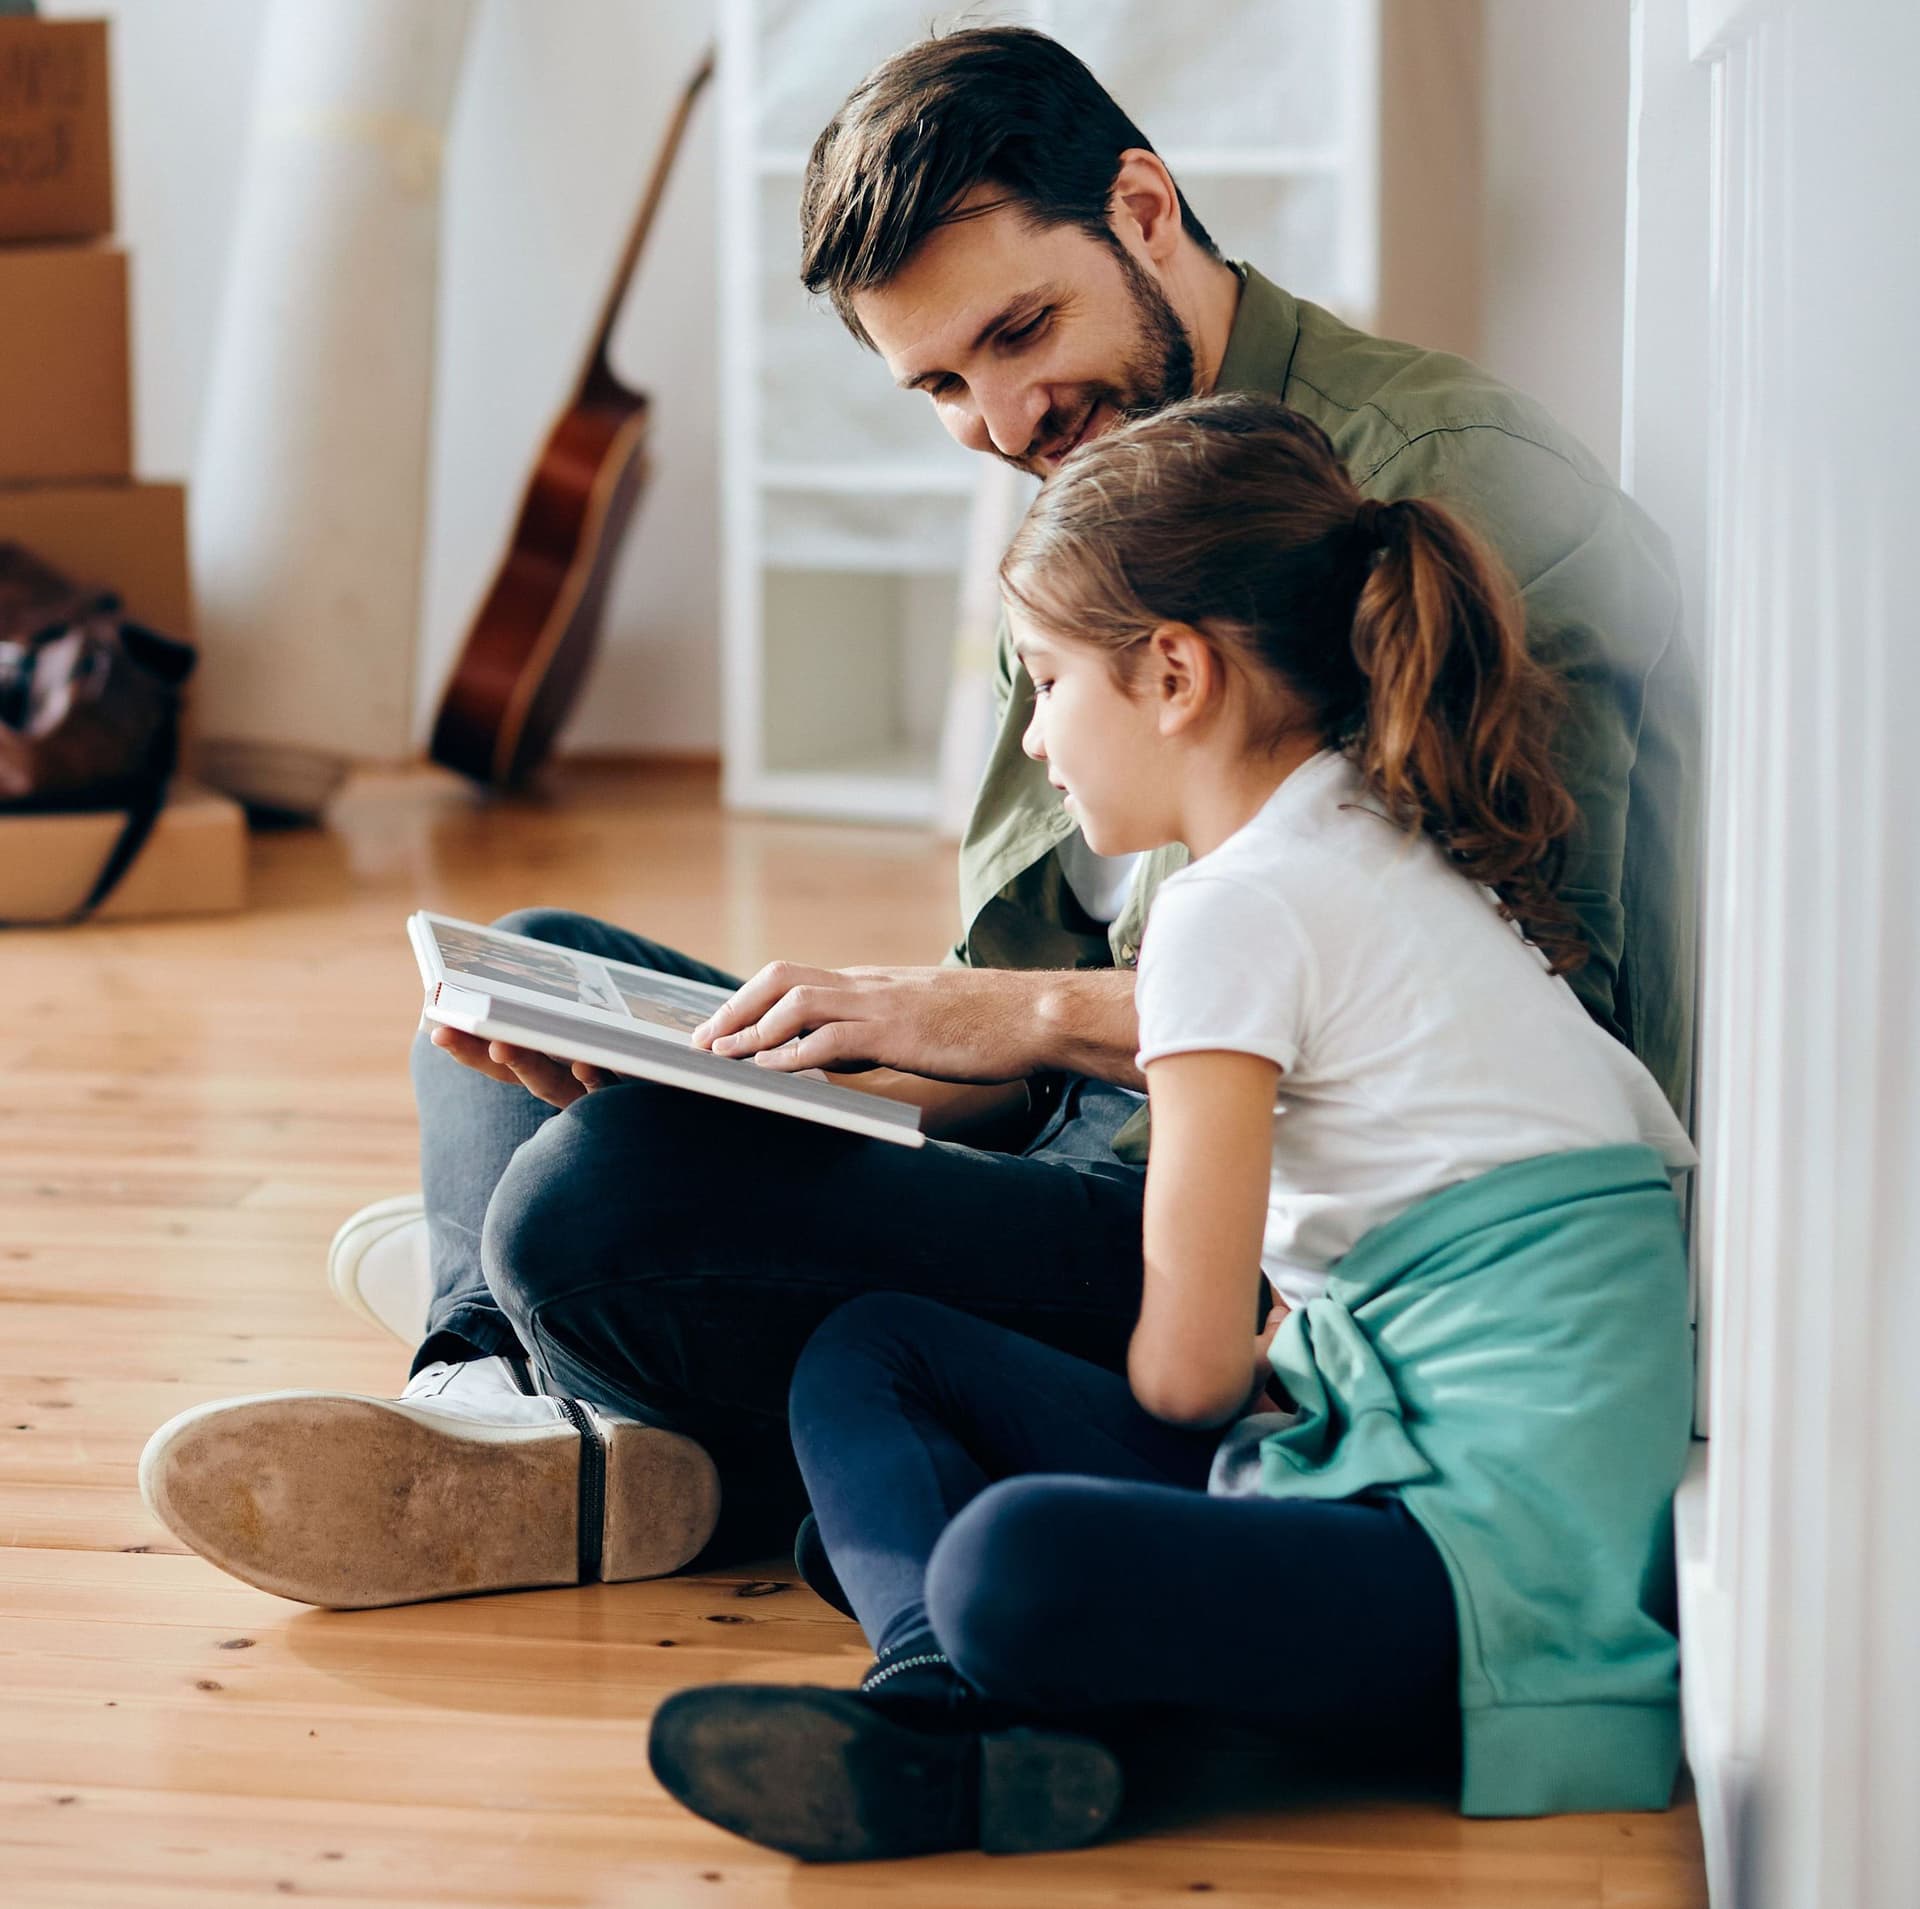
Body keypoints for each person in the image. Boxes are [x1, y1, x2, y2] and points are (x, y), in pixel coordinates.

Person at [138, 27, 1694, 1608]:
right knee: (523, 971)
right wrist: (793, 1069)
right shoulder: (1100, 468)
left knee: (585, 1205)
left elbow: (1498, 1020)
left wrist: (988, 1014)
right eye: (943, 382)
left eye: (1021, 330)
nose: (1006, 417)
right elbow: (1018, 1033)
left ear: (1147, 211)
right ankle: (502, 1389)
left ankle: (562, 1370)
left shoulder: (1432, 498)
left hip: (1224, 1225)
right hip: (1064, 1127)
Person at [647, 393, 1697, 1862]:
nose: (1035, 732)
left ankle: (954, 1694)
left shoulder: (1233, 914)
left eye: (1045, 681)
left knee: (1005, 1551)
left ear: (1174, 675)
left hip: (1483, 1585)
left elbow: (1193, 1371)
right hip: (1428, 1485)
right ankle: (964, 1702)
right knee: (879, 1359)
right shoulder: (1368, 832)